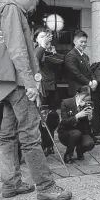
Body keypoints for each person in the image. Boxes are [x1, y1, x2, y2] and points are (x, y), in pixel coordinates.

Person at [0, 0, 71, 200]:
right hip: (18, 82)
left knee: (7, 135)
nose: (35, 7)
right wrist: (30, 84)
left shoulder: (1, 11)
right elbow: (18, 50)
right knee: (30, 135)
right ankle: (45, 185)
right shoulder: (15, 11)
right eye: (36, 2)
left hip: (6, 82)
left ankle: (11, 183)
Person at [64, 30, 100, 144]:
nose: (83, 44)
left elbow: (89, 72)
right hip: (76, 91)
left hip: (86, 91)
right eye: (81, 42)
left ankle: (88, 138)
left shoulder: (85, 56)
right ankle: (76, 140)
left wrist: (93, 80)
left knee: (87, 114)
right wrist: (89, 82)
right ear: (75, 41)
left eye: (85, 42)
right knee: (77, 116)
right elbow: (75, 73)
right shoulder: (70, 55)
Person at [34, 28, 61, 156]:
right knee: (41, 119)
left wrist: (54, 54)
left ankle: (49, 144)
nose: (44, 39)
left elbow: (60, 66)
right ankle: (42, 145)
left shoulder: (49, 51)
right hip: (41, 89)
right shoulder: (35, 50)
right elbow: (35, 61)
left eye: (46, 36)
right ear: (36, 39)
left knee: (52, 118)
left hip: (52, 88)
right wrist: (43, 46)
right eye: (41, 36)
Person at [58, 86, 95, 163]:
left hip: (81, 132)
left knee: (90, 144)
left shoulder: (87, 105)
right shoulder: (66, 103)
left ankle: (79, 151)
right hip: (66, 132)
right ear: (77, 95)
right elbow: (64, 122)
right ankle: (68, 154)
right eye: (83, 99)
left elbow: (89, 128)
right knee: (76, 133)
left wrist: (90, 118)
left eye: (87, 100)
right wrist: (77, 116)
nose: (84, 102)